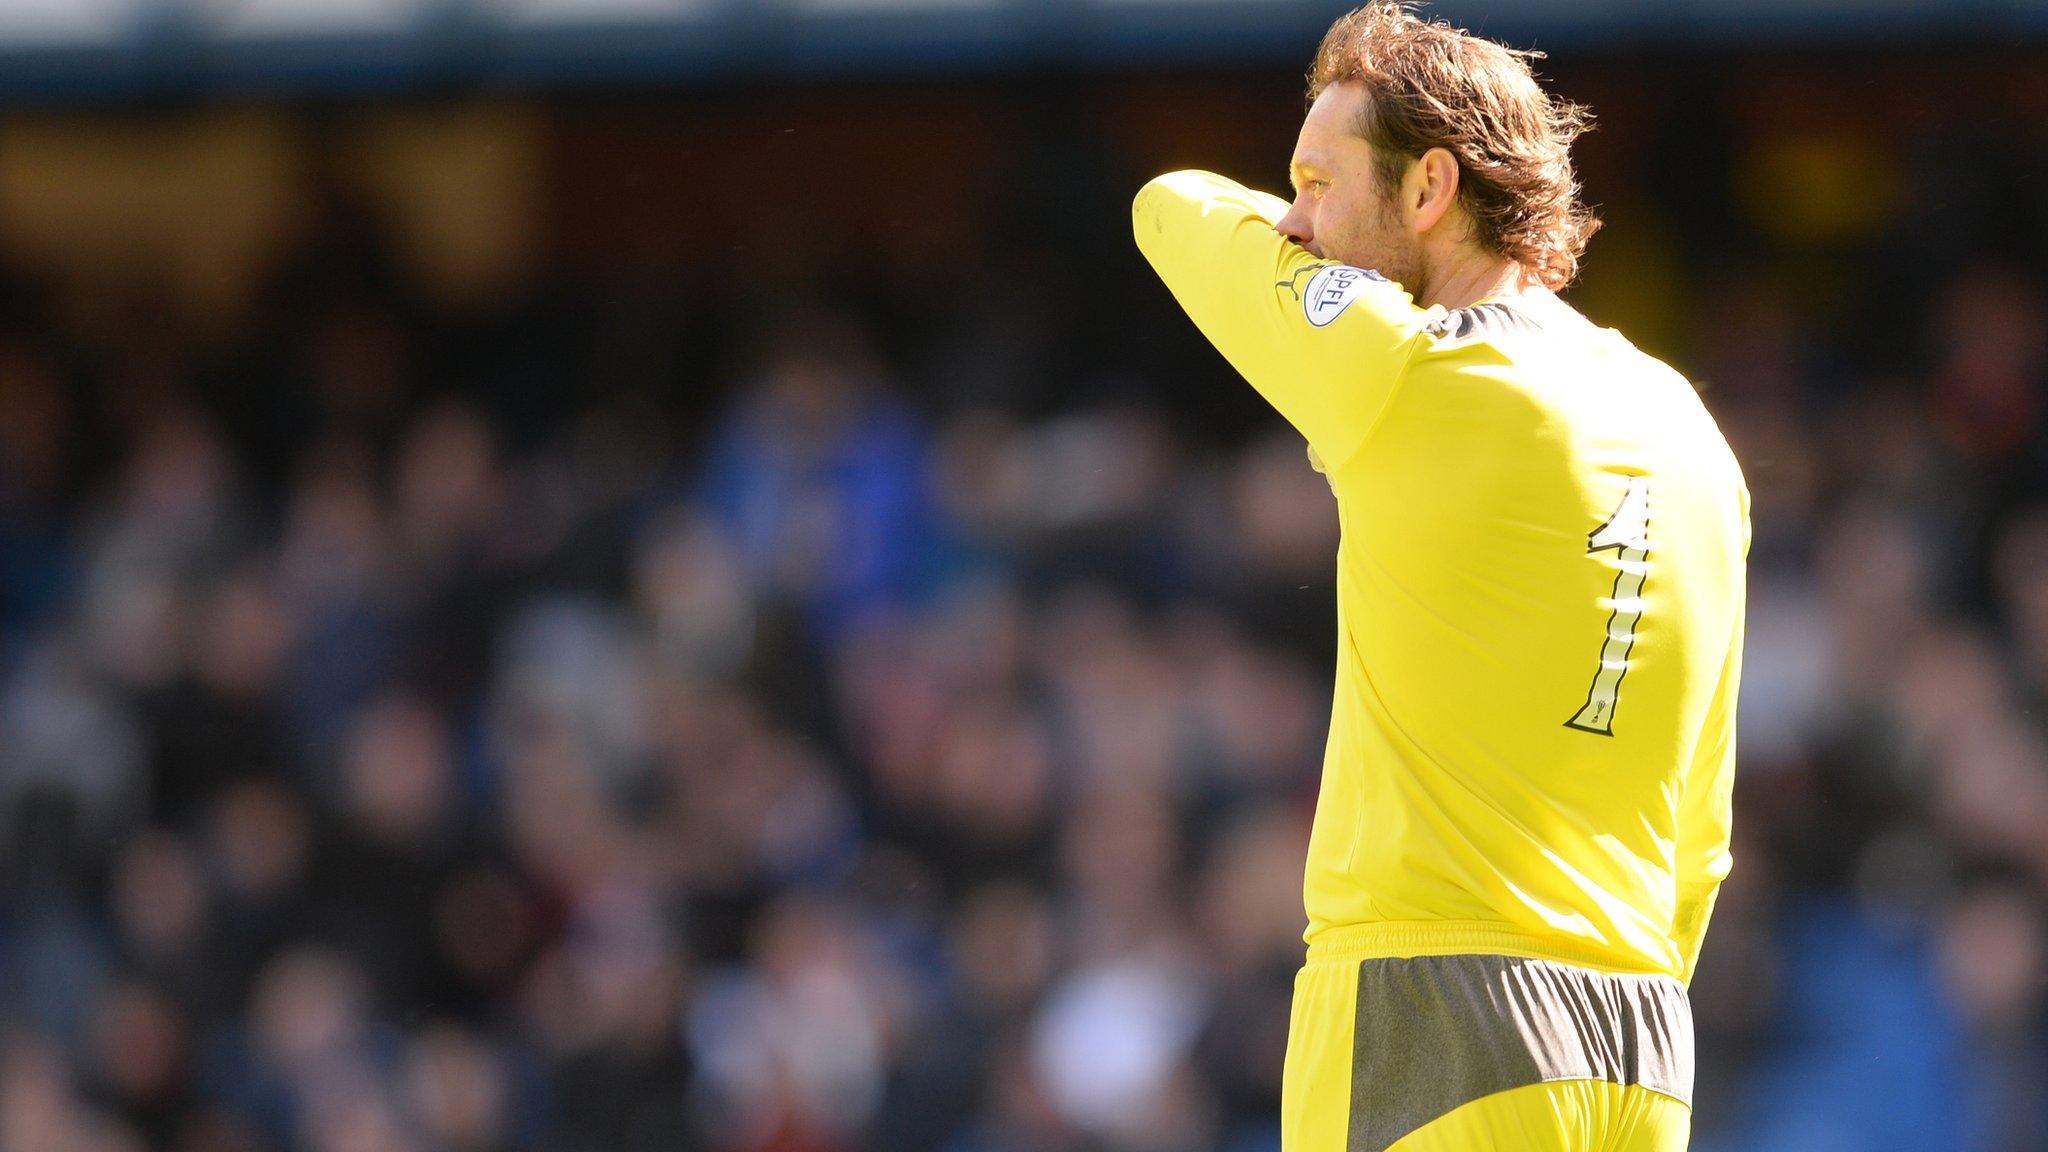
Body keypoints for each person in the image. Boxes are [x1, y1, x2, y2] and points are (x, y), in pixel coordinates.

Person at [1132, 4, 1749, 1150]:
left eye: (1318, 183)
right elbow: (1700, 834)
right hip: (1641, 1041)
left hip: (1431, 1011)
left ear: (1427, 189)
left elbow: (1168, 207)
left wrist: (1306, 252)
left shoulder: (1404, 372)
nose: (1301, 223)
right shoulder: (1687, 430)